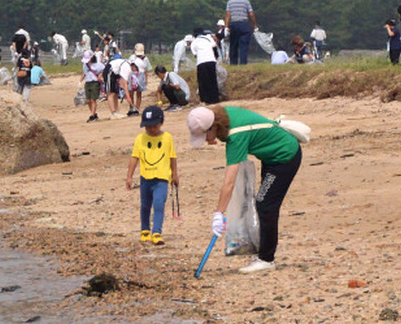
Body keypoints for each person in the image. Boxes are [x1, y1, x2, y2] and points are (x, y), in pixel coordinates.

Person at [187, 105, 303, 273]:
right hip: (271, 157)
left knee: (265, 205)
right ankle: (263, 252)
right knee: (263, 203)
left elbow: (229, 182)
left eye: (205, 135)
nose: (205, 140)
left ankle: (266, 259)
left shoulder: (236, 136)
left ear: (214, 126)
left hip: (285, 156)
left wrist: (218, 213)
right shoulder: (222, 115)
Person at [125, 105, 178, 246]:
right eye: (147, 127)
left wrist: (174, 175)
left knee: (159, 204)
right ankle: (145, 230)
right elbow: (134, 157)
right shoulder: (140, 139)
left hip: (161, 178)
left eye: (153, 126)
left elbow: (172, 157)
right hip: (145, 178)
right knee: (145, 205)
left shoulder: (167, 138)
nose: (150, 129)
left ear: (161, 123)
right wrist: (129, 176)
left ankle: (156, 232)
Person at [225, 0, 258, 65]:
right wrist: (254, 25)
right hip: (244, 24)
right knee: (244, 45)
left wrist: (226, 26)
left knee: (233, 45)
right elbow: (251, 14)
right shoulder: (246, 2)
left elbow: (228, 15)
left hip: (234, 24)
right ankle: (243, 63)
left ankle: (233, 64)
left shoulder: (230, 2)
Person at [190, 28, 221, 104]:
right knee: (212, 80)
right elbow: (214, 46)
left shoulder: (194, 42)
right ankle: (215, 99)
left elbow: (195, 54)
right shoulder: (208, 38)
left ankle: (205, 99)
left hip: (201, 62)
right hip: (211, 61)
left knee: (203, 82)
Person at [127, 43, 153, 114]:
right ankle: (131, 108)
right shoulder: (132, 57)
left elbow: (146, 71)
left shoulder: (145, 59)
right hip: (134, 75)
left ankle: (136, 109)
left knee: (138, 93)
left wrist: (146, 80)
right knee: (131, 93)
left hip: (139, 75)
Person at [82, 50, 104, 122]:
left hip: (95, 82)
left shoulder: (98, 64)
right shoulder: (85, 65)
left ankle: (92, 115)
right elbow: (84, 73)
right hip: (87, 82)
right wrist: (80, 81)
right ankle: (93, 114)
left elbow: (104, 70)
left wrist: (100, 76)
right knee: (88, 100)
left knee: (93, 99)